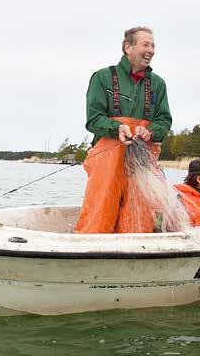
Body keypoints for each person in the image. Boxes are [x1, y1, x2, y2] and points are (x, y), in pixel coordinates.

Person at [74, 27, 173, 234]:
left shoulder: (158, 84)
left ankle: (136, 253)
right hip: (107, 160)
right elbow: (93, 120)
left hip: (143, 162)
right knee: (100, 211)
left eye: (153, 45)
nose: (151, 50)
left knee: (139, 214)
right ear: (128, 47)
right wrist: (117, 128)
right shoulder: (102, 77)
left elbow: (164, 121)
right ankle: (90, 248)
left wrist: (151, 132)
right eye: (146, 44)